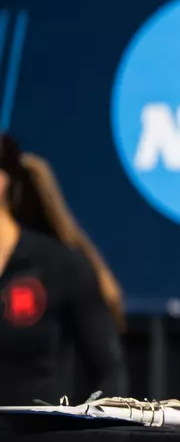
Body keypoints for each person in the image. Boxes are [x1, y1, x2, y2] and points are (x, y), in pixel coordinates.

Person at [0, 134, 126, 406]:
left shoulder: (57, 264)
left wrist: (81, 432)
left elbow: (108, 370)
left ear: (2, 181)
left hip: (37, 441)